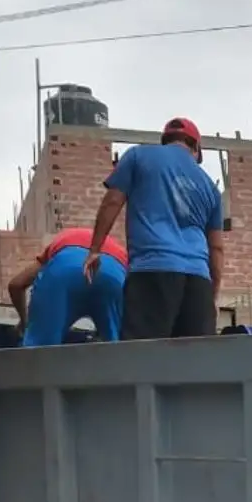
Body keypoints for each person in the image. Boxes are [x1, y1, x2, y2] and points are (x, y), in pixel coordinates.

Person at [84, 117, 225, 341]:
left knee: (143, 355)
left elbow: (112, 201)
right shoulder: (210, 187)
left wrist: (95, 250)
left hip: (152, 271)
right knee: (197, 359)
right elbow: (216, 248)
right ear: (196, 148)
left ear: (165, 141)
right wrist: (211, 295)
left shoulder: (138, 156)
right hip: (198, 280)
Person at [9, 227, 128, 347]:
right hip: (113, 274)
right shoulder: (120, 251)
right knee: (121, 350)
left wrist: (25, 323)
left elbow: (16, 285)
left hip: (63, 270)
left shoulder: (59, 244)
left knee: (39, 351)